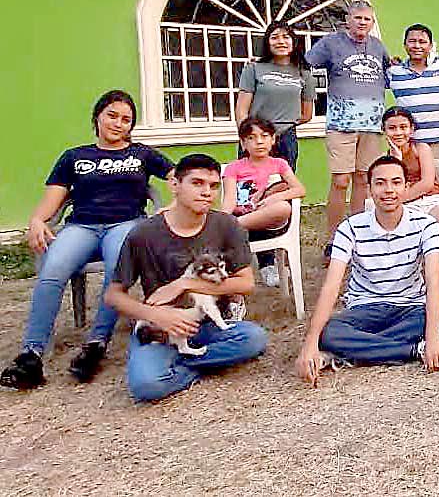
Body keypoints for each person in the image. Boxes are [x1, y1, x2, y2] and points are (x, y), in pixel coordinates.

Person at [0, 91, 174, 390]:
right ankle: (31, 355)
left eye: (126, 119)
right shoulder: (74, 156)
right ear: (97, 117)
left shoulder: (142, 154)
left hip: (126, 223)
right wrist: (37, 220)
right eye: (112, 115)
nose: (118, 123)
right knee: (52, 270)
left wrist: (170, 206)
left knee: (117, 269)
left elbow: (180, 176)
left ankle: (96, 344)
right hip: (81, 226)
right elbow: (53, 199)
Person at [104, 154, 268, 402]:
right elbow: (113, 295)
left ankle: (181, 364)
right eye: (197, 183)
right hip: (163, 327)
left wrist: (183, 283)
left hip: (210, 323)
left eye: (213, 186)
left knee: (254, 338)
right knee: (147, 386)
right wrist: (157, 316)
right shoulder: (143, 234)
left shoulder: (227, 225)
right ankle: (194, 361)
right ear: (175, 185)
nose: (207, 192)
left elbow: (245, 283)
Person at [294, 156, 439, 379]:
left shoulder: (426, 224)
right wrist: (311, 344)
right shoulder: (350, 228)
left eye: (396, 182)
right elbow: (331, 286)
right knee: (329, 333)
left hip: (409, 307)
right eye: (380, 183)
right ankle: (413, 350)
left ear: (406, 187)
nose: (389, 190)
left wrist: (433, 337)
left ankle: (347, 353)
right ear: (369, 189)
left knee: (436, 320)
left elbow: (433, 280)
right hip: (364, 307)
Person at [305, 0, 389, 264]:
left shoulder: (378, 47)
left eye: (367, 19)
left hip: (372, 125)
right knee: (341, 180)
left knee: (363, 179)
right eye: (358, 18)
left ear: (372, 23)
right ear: (347, 20)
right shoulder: (331, 43)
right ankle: (334, 240)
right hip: (341, 124)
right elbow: (303, 65)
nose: (362, 23)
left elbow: (391, 72)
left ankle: (359, 236)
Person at [381, 106, 439, 302]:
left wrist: (400, 197)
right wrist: (396, 160)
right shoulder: (384, 156)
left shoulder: (421, 148)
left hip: (430, 197)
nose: (398, 132)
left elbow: (427, 183)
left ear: (412, 129)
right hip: (404, 205)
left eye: (403, 127)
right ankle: (408, 284)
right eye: (392, 128)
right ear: (384, 130)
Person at [221, 116, 306, 288]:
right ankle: (262, 264)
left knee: (283, 208)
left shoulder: (279, 164)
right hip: (245, 223)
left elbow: (299, 190)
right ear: (243, 144)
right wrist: (221, 219)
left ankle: (230, 228)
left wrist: (274, 198)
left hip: (271, 221)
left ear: (273, 139)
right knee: (228, 225)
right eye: (251, 138)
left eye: (264, 136)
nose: (259, 142)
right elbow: (229, 200)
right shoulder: (233, 168)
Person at [236, 21, 315, 171]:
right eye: (274, 37)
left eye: (286, 37)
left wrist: (283, 123)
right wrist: (245, 136)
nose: (280, 42)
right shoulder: (253, 68)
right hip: (255, 136)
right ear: (267, 42)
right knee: (251, 181)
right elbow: (241, 109)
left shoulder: (304, 74)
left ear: (294, 42)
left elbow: (307, 115)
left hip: (286, 138)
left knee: (283, 182)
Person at [386, 23, 439, 161]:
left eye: (422, 42)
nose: (417, 46)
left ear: (431, 46)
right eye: (412, 41)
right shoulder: (393, 72)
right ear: (404, 45)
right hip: (407, 142)